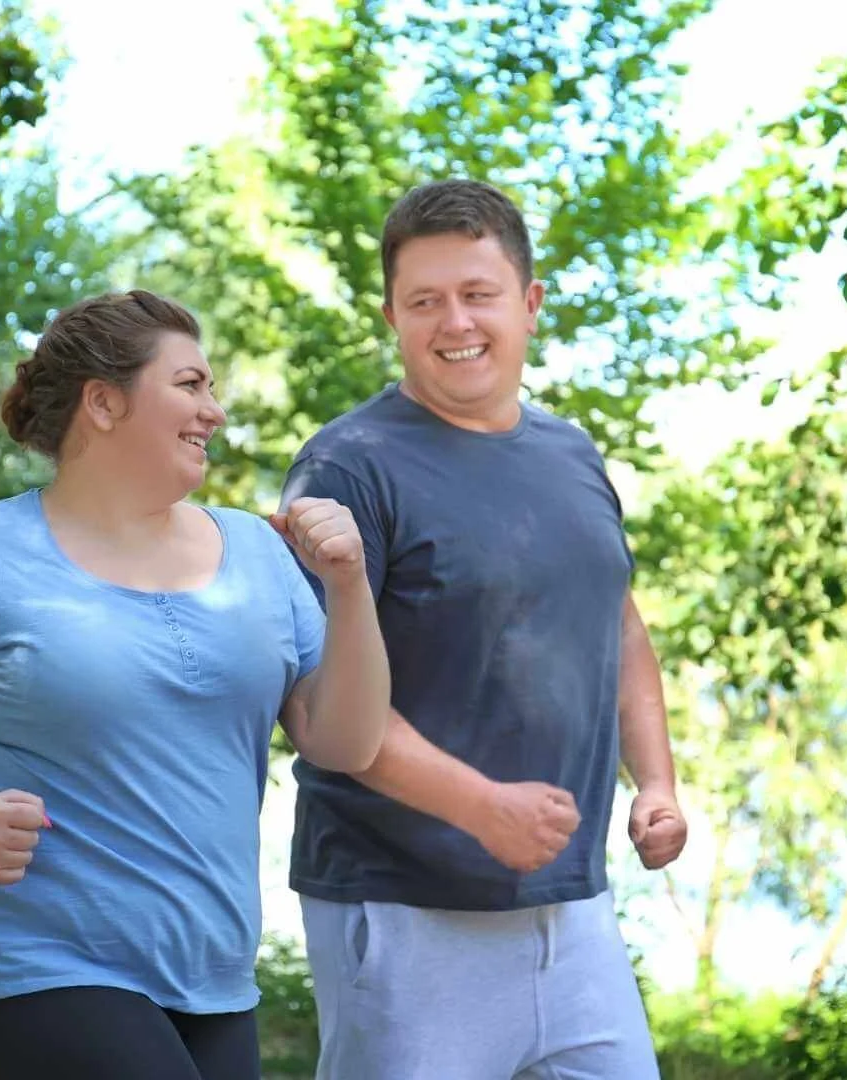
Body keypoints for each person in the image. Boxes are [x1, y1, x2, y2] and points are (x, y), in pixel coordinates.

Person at [0, 290, 390, 1080]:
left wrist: (351, 584)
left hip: (213, 978)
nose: (216, 412)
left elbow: (347, 741)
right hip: (29, 966)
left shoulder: (259, 557)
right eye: (191, 386)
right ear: (103, 401)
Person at [280, 179, 688, 1080]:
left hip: (574, 912)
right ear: (392, 315)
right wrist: (479, 806)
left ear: (530, 304)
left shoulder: (572, 456)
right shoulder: (346, 468)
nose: (453, 321)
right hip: (403, 913)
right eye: (424, 300)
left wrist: (654, 783)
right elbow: (319, 705)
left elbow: (617, 628)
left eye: (478, 294)